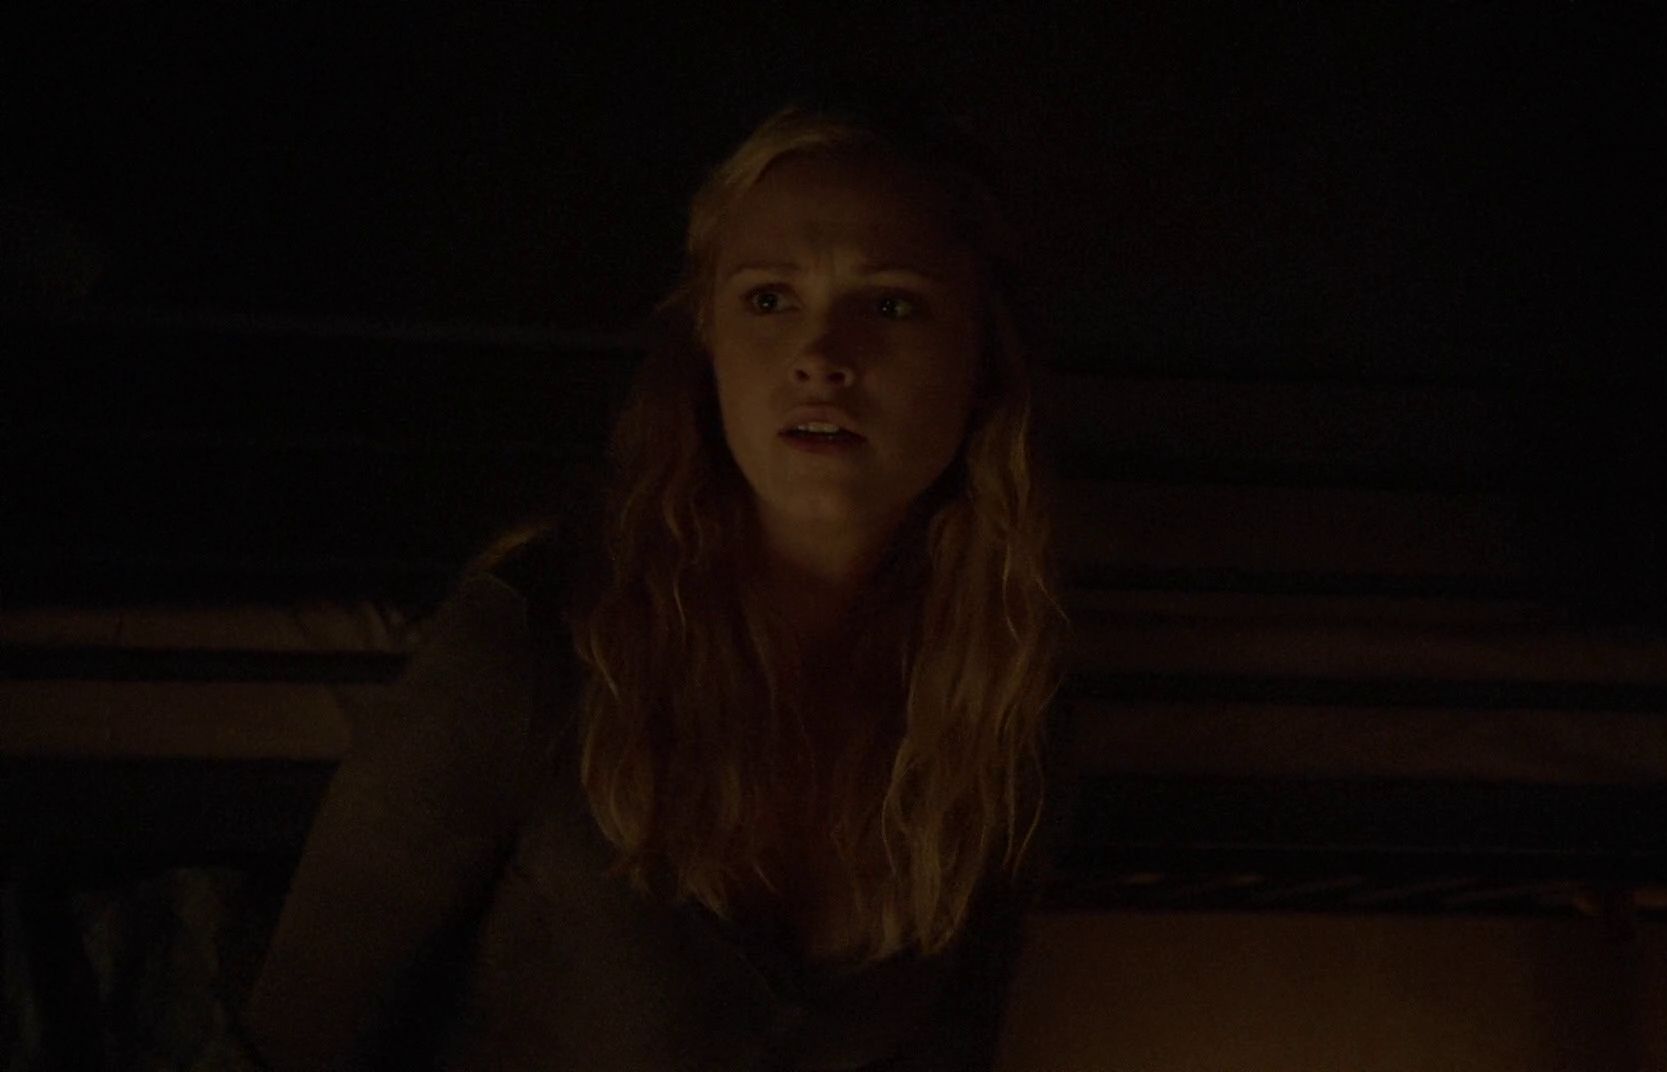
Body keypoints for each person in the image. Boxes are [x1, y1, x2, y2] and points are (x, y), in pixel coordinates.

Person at [243, 99, 1080, 1071]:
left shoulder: (1001, 697)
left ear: (982, 355)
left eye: (890, 304)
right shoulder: (540, 645)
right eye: (769, 299)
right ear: (706, 339)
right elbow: (289, 1040)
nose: (821, 358)